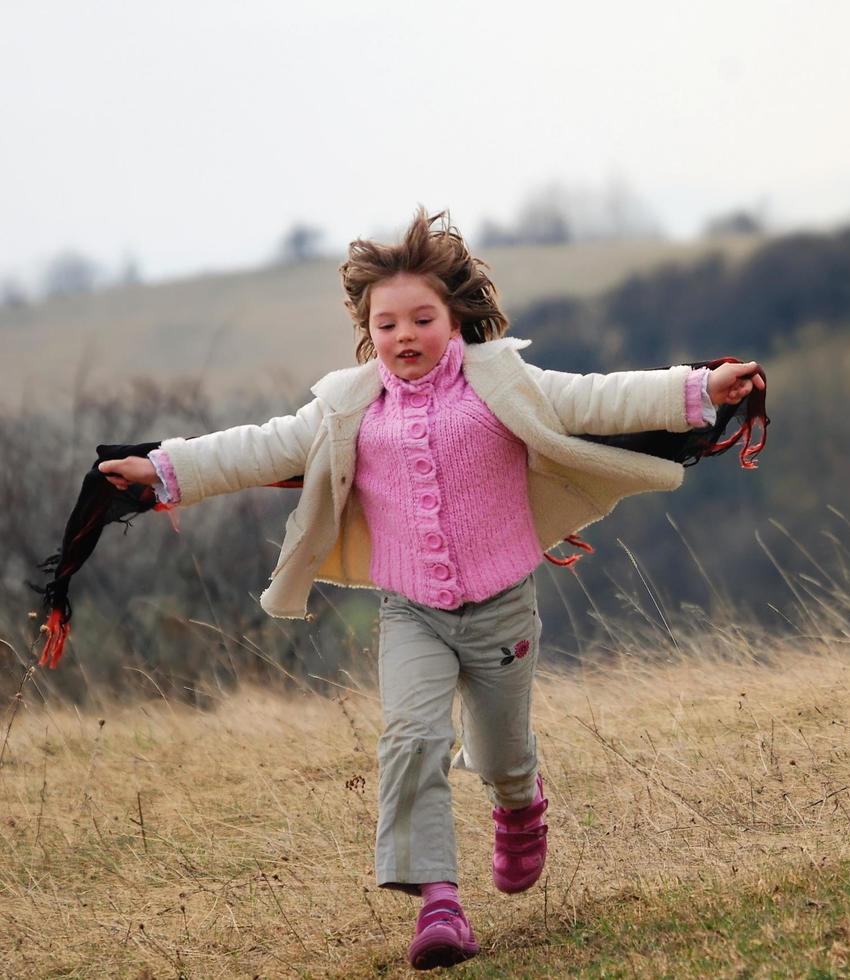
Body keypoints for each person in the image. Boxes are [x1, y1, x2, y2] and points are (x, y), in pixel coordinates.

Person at [98, 209, 764, 970]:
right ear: (366, 329)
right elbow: (259, 446)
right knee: (413, 739)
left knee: (502, 752)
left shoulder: (502, 383)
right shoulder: (347, 406)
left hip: (503, 604)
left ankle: (521, 807)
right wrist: (163, 469)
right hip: (409, 610)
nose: (405, 335)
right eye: (388, 323)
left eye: (422, 318)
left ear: (455, 320)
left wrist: (702, 387)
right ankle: (440, 903)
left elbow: (597, 398)